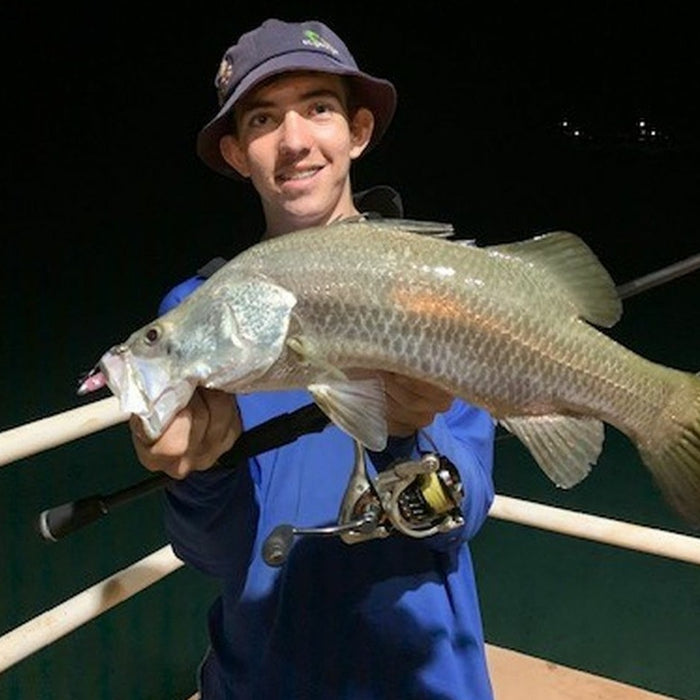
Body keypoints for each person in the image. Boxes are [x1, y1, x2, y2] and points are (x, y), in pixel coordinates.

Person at [130, 18, 496, 700]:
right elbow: (212, 553)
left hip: (421, 679)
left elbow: (465, 512)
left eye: (318, 108)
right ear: (238, 153)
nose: (294, 140)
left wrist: (406, 440)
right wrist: (200, 473)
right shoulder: (201, 310)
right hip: (265, 677)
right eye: (263, 119)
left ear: (357, 132)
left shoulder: (437, 285)